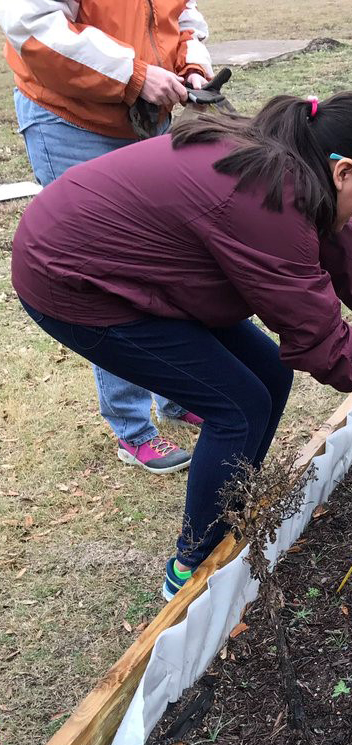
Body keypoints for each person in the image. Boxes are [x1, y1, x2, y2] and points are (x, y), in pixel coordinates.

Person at [11, 91, 352, 599]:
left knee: (268, 372)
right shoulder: (269, 201)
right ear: (345, 171)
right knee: (238, 408)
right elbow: (325, 346)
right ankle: (193, 566)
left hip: (128, 259)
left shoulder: (297, 165)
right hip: (73, 281)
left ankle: (234, 503)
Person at [1, 1, 214, 473]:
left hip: (147, 116)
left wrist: (192, 67)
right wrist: (135, 76)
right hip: (73, 120)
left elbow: (181, 19)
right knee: (105, 274)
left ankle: (178, 394)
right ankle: (131, 428)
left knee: (166, 259)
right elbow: (31, 28)